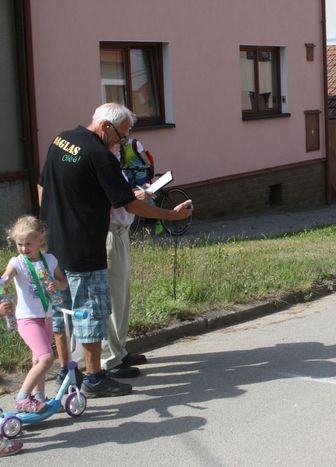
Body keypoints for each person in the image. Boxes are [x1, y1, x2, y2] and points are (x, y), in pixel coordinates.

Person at [38, 102, 193, 398]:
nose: (122, 142)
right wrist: (172, 216)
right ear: (105, 126)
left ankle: (66, 372)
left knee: (61, 311)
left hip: (53, 244)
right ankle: (94, 378)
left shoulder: (62, 140)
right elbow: (130, 204)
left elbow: (42, 185)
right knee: (91, 311)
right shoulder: (99, 155)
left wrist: (46, 224)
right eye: (121, 136)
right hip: (85, 247)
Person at [2, 216, 68, 412]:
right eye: (19, 244)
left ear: (40, 240)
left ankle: (39, 397)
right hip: (27, 318)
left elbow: (63, 282)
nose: (24, 248)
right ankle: (23, 397)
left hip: (46, 317)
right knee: (47, 358)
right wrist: (3, 280)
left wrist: (57, 285)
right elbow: (6, 277)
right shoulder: (17, 262)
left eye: (28, 244)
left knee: (38, 360)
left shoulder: (50, 260)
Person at [100, 143, 151, 379]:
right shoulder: (100, 165)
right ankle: (109, 359)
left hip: (122, 231)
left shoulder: (115, 166)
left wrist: (139, 193)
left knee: (122, 295)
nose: (120, 149)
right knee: (112, 298)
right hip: (110, 232)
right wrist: (136, 197)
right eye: (116, 144)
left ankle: (119, 349)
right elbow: (109, 200)